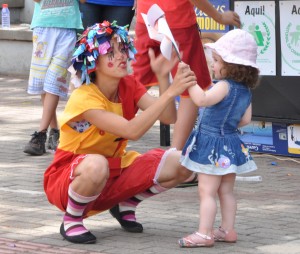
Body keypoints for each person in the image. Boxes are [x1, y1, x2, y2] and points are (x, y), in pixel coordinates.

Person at [43, 21, 196, 244]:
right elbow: (132, 131)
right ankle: (72, 219)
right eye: (111, 52)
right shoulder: (83, 96)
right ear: (93, 60)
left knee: (183, 163)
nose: (122, 56)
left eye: (123, 49)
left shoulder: (129, 84)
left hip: (114, 168)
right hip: (69, 176)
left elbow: (168, 118)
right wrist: (172, 91)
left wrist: (164, 78)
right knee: (96, 164)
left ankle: (127, 203)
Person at [133, 0, 241, 186]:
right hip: (176, 18)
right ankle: (177, 162)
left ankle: (105, 140)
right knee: (190, 84)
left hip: (147, 15)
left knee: (136, 83)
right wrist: (220, 17)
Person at [177, 29, 260, 247]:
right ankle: (227, 230)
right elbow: (245, 120)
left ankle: (204, 234)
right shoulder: (245, 91)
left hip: (213, 146)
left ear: (231, 65)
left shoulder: (223, 86)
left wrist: (190, 82)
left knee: (206, 191)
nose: (213, 65)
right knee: (226, 191)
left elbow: (202, 100)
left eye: (215, 61)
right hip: (231, 145)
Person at [24, 0, 86, 156]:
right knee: (44, 82)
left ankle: (40, 134)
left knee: (54, 81)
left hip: (67, 29)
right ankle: (55, 132)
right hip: (43, 27)